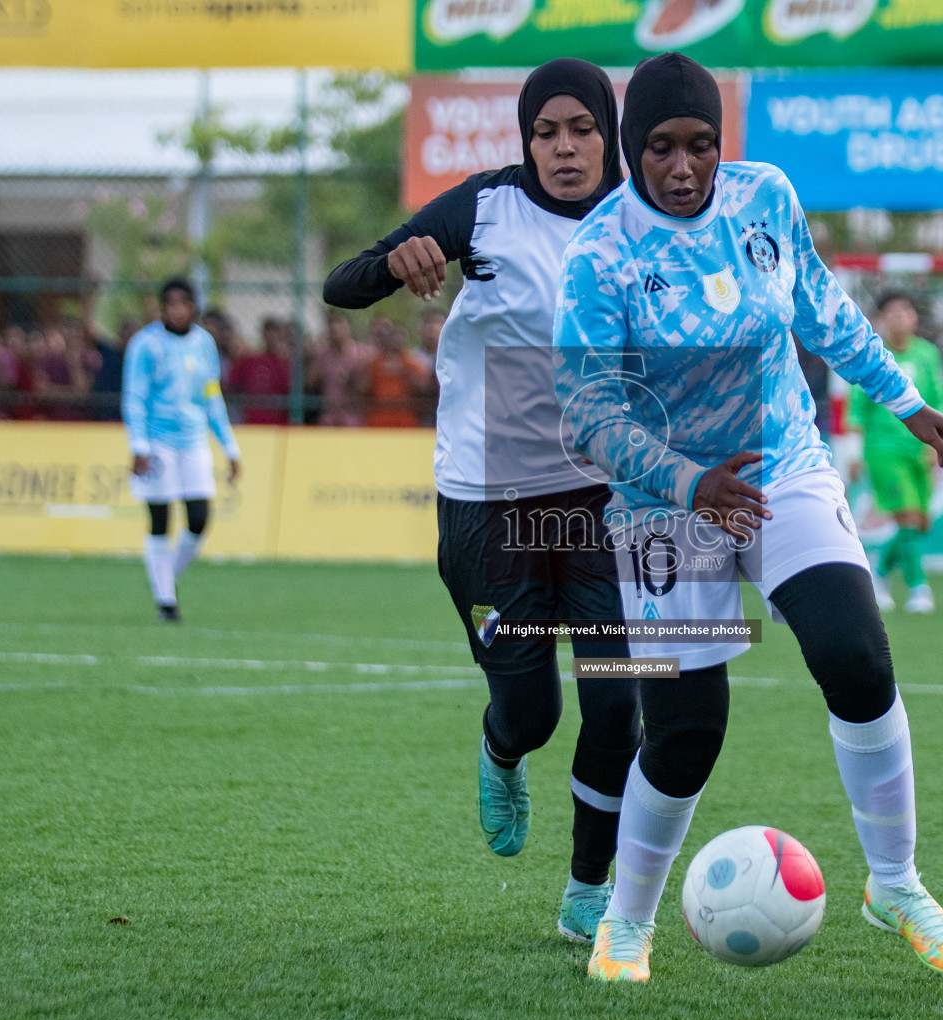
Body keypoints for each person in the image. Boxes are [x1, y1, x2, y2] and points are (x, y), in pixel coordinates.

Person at [554, 52, 943, 983]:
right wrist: (686, 481)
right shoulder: (600, 251)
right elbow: (585, 411)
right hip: (663, 509)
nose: (682, 167)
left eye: (700, 145)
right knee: (685, 726)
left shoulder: (765, 199)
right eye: (660, 147)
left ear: (721, 146)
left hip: (783, 468)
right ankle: (626, 925)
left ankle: (897, 886)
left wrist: (905, 400)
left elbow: (824, 311)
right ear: (630, 149)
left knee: (857, 657)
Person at [323, 58, 642, 945]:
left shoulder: (645, 220)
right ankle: (503, 751)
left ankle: (589, 891)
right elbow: (340, 286)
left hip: (601, 502)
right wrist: (399, 258)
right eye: (547, 132)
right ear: (526, 139)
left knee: (620, 703)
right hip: (487, 502)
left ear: (609, 134)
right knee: (535, 712)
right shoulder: (483, 208)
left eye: (583, 129)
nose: (565, 148)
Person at [123, 278, 241, 623]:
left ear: (193, 307)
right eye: (170, 304)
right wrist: (139, 446)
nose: (176, 310)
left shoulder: (204, 344)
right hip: (158, 443)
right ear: (162, 308)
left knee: (199, 519)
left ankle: (165, 579)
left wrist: (230, 448)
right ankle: (166, 601)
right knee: (160, 519)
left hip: (193, 442)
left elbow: (211, 397)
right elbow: (135, 398)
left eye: (183, 304)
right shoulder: (145, 345)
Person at [848, 291, 943, 614]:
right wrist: (852, 453)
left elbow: (940, 400)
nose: (899, 318)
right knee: (906, 514)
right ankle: (919, 587)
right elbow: (857, 409)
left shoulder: (927, 355)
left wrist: (939, 445)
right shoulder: (873, 356)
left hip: (920, 450)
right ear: (881, 319)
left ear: (914, 318)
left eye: (905, 311)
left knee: (919, 522)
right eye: (891, 312)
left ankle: (878, 572)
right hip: (883, 449)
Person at [362, 322, 432, 427]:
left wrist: (409, 375)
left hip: (406, 418)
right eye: (394, 337)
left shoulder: (412, 363)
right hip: (379, 418)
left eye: (400, 337)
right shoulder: (375, 363)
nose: (396, 341)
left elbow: (422, 389)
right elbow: (365, 388)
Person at [230, 318, 292, 425]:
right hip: (253, 422)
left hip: (278, 424)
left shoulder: (286, 364)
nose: (271, 338)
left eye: (275, 334)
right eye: (268, 333)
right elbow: (232, 384)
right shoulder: (251, 361)